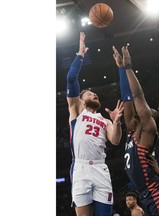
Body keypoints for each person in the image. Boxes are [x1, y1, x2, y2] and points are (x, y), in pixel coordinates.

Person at [112, 45, 159, 215]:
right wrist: (121, 69)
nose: (141, 110)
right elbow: (127, 98)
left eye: (147, 110)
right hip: (148, 196)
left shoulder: (147, 130)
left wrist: (128, 66)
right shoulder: (132, 130)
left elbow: (137, 96)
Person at [66, 32, 124, 216]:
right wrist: (80, 54)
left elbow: (115, 140)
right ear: (81, 100)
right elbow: (71, 79)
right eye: (89, 93)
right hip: (81, 168)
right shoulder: (76, 111)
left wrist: (116, 122)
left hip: (100, 167)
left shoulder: (104, 120)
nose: (94, 94)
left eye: (95, 94)